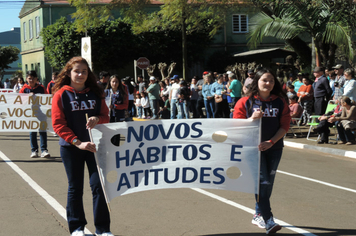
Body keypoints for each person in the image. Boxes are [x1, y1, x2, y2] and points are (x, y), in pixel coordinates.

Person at [51, 56, 113, 236]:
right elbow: (58, 124)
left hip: (95, 147)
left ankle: (103, 229)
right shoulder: (61, 94)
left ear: (88, 74)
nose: (80, 74)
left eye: (84, 71)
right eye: (76, 71)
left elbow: (105, 116)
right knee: (75, 187)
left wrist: (97, 119)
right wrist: (78, 143)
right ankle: (77, 227)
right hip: (72, 148)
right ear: (68, 73)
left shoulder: (96, 92)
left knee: (98, 186)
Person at [233, 68, 291, 235]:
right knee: (262, 182)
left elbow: (284, 126)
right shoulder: (245, 102)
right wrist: (252, 119)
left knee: (268, 184)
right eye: (265, 80)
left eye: (271, 80)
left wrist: (271, 142)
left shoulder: (280, 102)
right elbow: (236, 125)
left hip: (274, 148)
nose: (268, 83)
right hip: (252, 149)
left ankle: (258, 213)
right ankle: (269, 220)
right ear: (256, 82)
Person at [19, 70, 50, 158]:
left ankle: (44, 150)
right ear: (26, 79)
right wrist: (27, 96)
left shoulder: (41, 88)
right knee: (32, 132)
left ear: (36, 79)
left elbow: (47, 99)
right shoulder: (24, 89)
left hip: (41, 114)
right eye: (29, 78)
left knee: (43, 132)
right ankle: (34, 150)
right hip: (30, 114)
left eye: (33, 78)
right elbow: (18, 101)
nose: (31, 80)